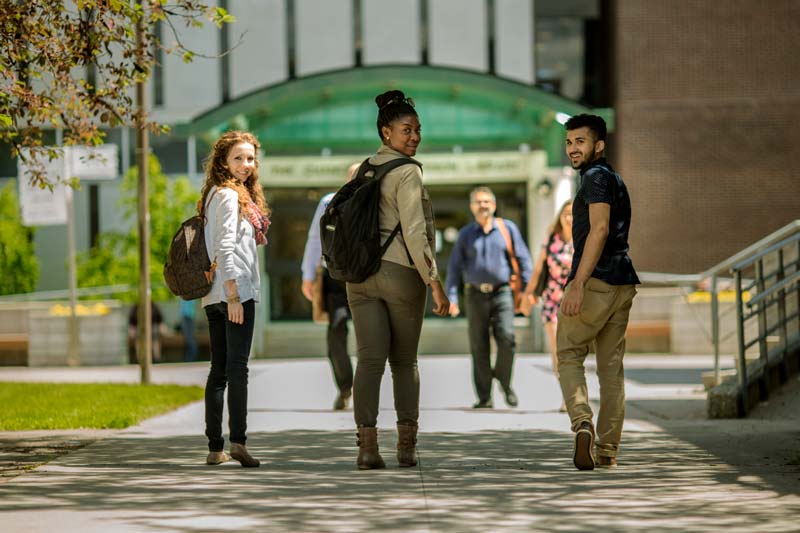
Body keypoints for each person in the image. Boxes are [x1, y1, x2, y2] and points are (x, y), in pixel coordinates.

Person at [348, 89, 450, 470]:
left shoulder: (365, 169)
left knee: (368, 361)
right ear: (386, 132)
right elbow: (414, 231)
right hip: (399, 274)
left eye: (418, 130)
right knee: (404, 362)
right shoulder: (408, 171)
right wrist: (434, 281)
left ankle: (367, 448)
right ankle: (405, 448)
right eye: (407, 130)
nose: (415, 137)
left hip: (359, 278)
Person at [557, 114, 639, 470]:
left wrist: (578, 283)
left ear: (599, 145)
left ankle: (581, 422)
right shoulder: (614, 178)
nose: (573, 148)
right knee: (611, 369)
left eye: (580, 142)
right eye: (569, 142)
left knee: (569, 353)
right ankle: (607, 450)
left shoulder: (595, 178)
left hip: (597, 282)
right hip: (623, 282)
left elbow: (600, 228)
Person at [198, 130, 270, 468]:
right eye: (238, 158)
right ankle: (238, 442)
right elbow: (225, 248)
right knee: (236, 369)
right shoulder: (228, 196)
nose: (246, 164)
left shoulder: (213, 196)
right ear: (223, 162)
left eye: (251, 158)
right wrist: (234, 296)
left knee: (220, 370)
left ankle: (216, 447)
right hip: (232, 292)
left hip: (215, 295)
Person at [446, 187, 532, 409]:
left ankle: (504, 381)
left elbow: (524, 261)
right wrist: (452, 298)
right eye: (478, 202)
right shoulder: (465, 234)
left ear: (493, 205)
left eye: (486, 201)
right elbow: (454, 268)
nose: (482, 205)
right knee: (479, 346)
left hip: (502, 292)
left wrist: (528, 292)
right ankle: (485, 397)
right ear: (472, 206)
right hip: (474, 295)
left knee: (507, 338)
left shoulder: (507, 229)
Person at [300, 162, 360, 410]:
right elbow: (315, 237)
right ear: (347, 178)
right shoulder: (328, 201)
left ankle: (367, 390)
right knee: (336, 333)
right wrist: (307, 275)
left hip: (365, 278)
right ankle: (345, 387)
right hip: (334, 278)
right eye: (354, 175)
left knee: (373, 336)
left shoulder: (378, 202)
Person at [520, 200, 573, 412]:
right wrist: (527, 295)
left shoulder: (583, 239)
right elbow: (538, 269)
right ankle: (567, 398)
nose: (569, 218)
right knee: (557, 352)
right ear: (560, 216)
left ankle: (576, 396)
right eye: (566, 214)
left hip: (575, 302)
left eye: (573, 214)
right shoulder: (551, 239)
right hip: (552, 302)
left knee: (572, 352)